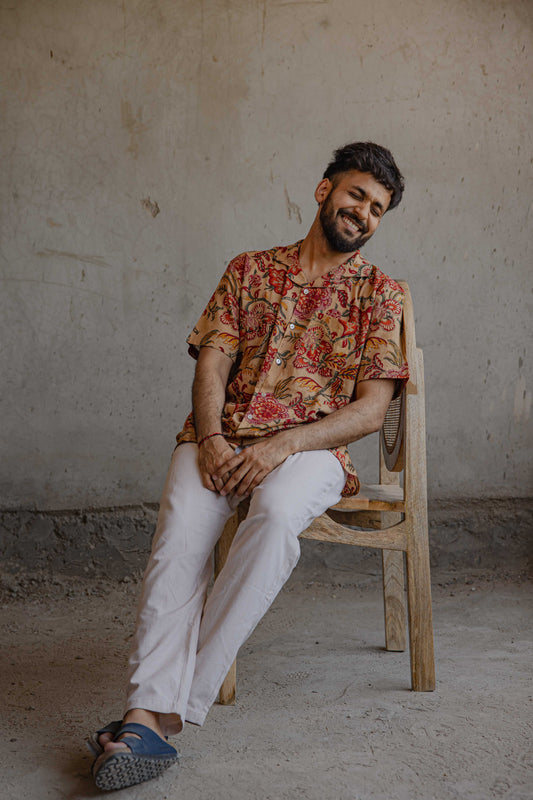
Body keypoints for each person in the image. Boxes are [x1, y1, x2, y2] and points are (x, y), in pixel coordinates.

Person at [89, 141, 409, 791]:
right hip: (220, 440)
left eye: (376, 208)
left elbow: (372, 410)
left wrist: (283, 445)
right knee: (179, 535)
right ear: (323, 191)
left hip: (311, 451)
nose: (363, 213)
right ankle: (143, 720)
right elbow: (212, 363)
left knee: (277, 513)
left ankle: (157, 713)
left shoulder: (380, 294)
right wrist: (210, 439)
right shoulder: (248, 271)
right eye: (355, 195)